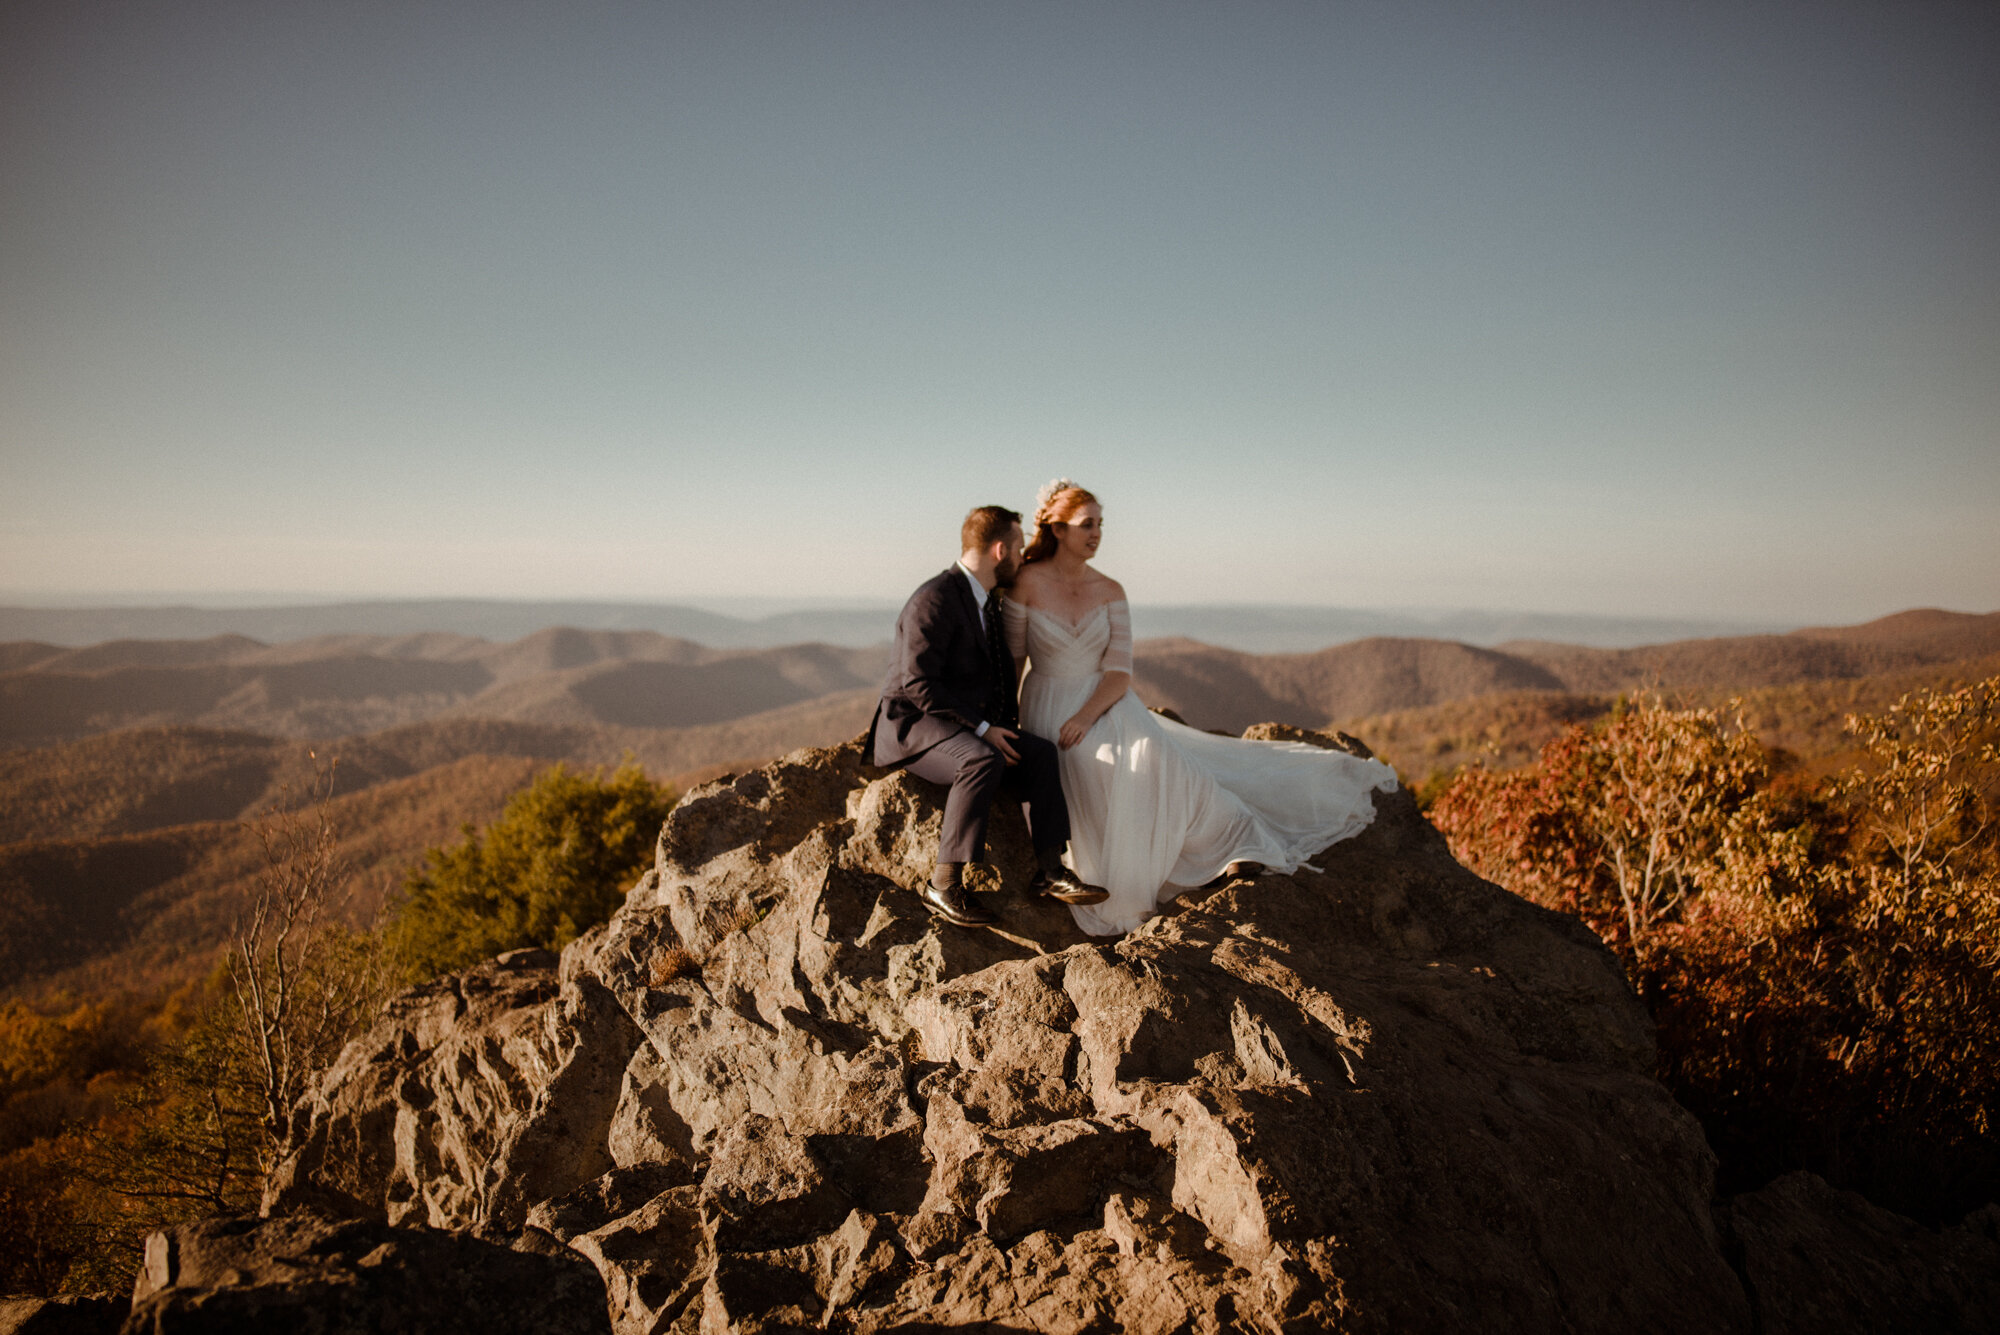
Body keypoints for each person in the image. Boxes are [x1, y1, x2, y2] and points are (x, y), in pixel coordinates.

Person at [1004, 479, 1401, 936]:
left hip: (1105, 700)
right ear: (1057, 529)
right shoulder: (1026, 583)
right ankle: (1135, 874)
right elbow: (1014, 660)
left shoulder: (1111, 589)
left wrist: (1087, 715)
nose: (1096, 533)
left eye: (1100, 524)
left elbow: (1119, 671)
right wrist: (1010, 721)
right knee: (1100, 766)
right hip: (1047, 700)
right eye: (1086, 524)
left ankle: (1232, 846)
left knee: (1157, 756)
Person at [868, 504, 1109, 926]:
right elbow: (916, 684)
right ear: (1000, 550)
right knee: (981, 759)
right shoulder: (935, 598)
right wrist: (982, 729)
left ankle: (1050, 872)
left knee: (1037, 752)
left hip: (961, 721)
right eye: (1018, 549)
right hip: (915, 726)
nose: (1021, 557)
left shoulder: (984, 600)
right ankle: (943, 884)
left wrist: (999, 726)